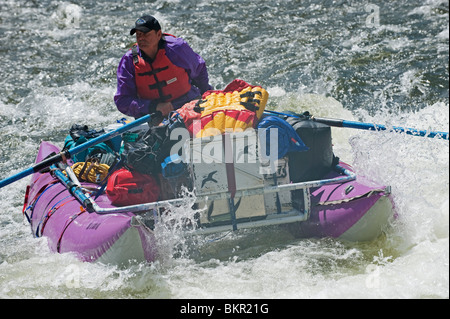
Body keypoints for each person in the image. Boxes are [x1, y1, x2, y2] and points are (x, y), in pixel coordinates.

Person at [114, 15, 212, 118]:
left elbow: (199, 70)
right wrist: (153, 106)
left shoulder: (176, 48)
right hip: (154, 115)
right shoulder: (128, 61)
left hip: (188, 106)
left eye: (146, 34)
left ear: (158, 34)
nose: (141, 38)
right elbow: (123, 101)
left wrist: (206, 95)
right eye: (138, 34)